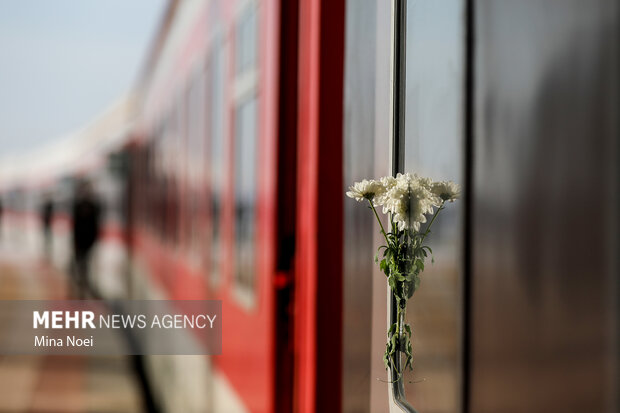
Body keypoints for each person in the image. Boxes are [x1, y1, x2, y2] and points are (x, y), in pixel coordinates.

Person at [71, 181, 101, 298]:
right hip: (82, 241)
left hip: (87, 242)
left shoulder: (90, 206)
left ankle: (82, 288)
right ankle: (81, 288)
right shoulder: (81, 206)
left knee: (84, 266)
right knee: (82, 266)